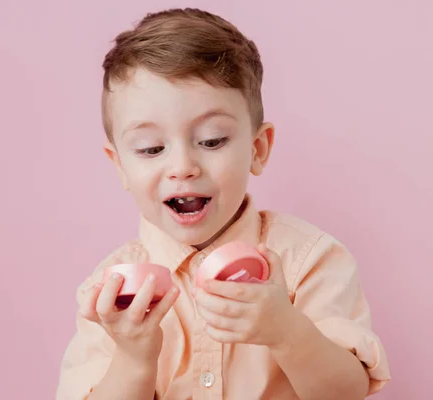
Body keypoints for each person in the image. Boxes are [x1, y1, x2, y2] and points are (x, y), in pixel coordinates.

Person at [55, 7, 390, 400]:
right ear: (121, 168)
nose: (182, 167)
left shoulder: (309, 261)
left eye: (212, 141)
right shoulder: (109, 294)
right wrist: (133, 357)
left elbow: (347, 391)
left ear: (257, 149)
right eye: (151, 148)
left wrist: (287, 332)